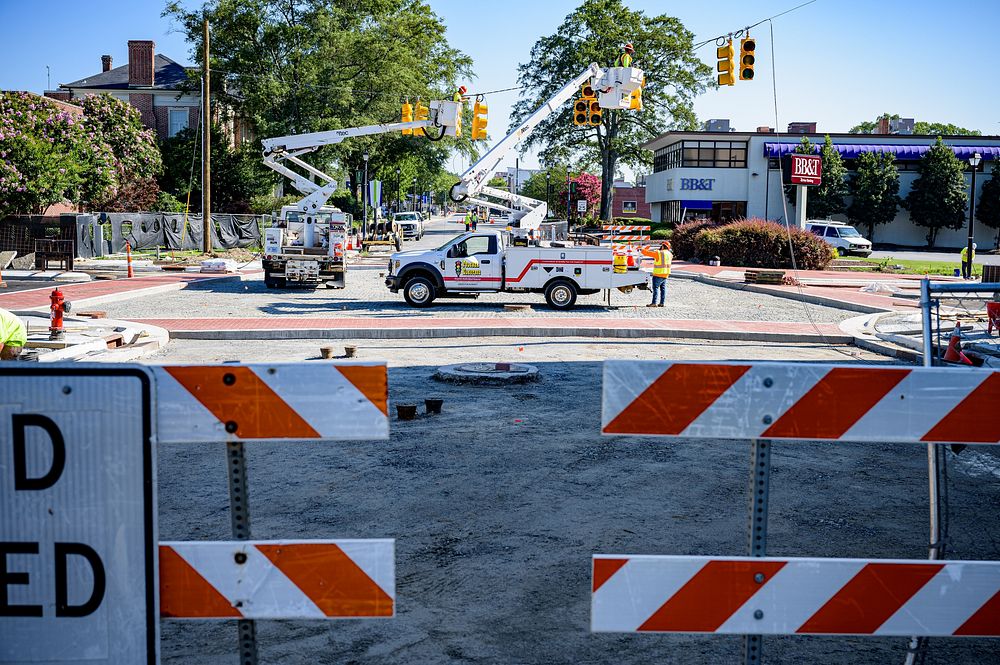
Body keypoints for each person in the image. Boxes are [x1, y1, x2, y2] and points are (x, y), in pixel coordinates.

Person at [640, 241, 672, 307]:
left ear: (663, 246)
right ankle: (662, 303)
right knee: (663, 289)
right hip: (666, 274)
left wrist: (642, 250)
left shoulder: (659, 253)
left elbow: (648, 253)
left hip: (658, 274)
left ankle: (654, 303)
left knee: (656, 288)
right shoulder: (670, 254)